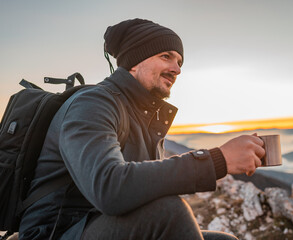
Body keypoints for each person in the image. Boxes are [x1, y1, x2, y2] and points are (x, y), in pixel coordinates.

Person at [19, 18, 265, 240]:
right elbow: (108, 188)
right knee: (168, 213)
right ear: (134, 62)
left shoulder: (142, 115)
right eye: (166, 56)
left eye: (179, 61)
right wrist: (216, 161)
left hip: (95, 224)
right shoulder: (93, 103)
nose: (177, 69)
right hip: (56, 232)